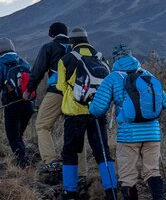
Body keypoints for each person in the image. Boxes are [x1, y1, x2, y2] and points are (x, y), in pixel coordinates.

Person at [89, 44, 166, 200]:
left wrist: (89, 105)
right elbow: (165, 102)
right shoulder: (147, 74)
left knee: (128, 176)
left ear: (115, 59)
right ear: (131, 56)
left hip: (128, 135)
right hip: (152, 133)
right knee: (152, 171)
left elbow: (98, 109)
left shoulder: (112, 78)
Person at [56, 28, 117, 200]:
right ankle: (111, 191)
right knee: (102, 151)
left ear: (71, 42)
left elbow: (61, 86)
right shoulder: (100, 57)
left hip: (75, 114)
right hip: (97, 112)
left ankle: (70, 193)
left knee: (70, 152)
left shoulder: (66, 59)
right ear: (87, 40)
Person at [22, 22, 88, 178]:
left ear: (52, 35)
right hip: (76, 95)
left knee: (42, 125)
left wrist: (29, 90)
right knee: (75, 132)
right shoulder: (75, 47)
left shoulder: (49, 47)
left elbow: (37, 71)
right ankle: (82, 171)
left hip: (56, 92)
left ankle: (51, 160)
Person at [0, 38, 35, 170]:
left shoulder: (1, 64)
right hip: (28, 104)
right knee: (18, 135)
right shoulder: (23, 63)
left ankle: (23, 164)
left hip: (12, 105)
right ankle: (24, 159)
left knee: (13, 137)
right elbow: (33, 82)